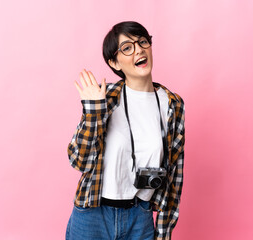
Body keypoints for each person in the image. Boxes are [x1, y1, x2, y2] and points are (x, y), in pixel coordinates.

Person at [66, 21, 185, 240]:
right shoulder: (106, 97)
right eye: (127, 48)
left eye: (142, 42)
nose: (139, 49)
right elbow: (78, 161)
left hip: (140, 217)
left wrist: (164, 231)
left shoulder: (173, 104)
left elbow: (175, 172)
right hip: (93, 214)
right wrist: (93, 112)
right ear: (114, 62)